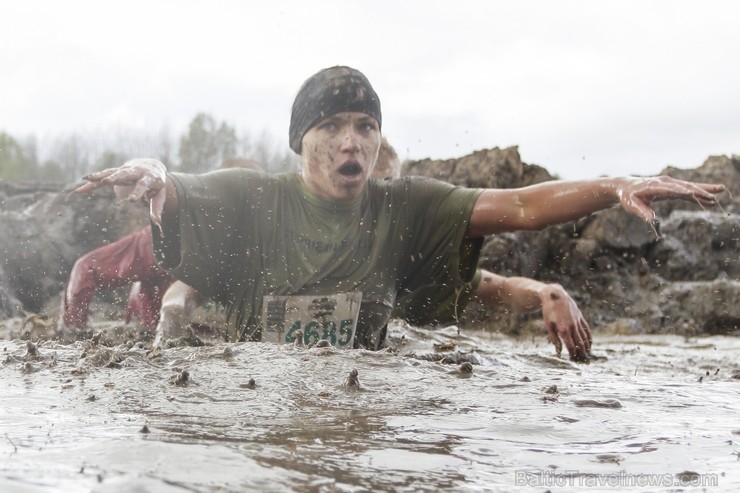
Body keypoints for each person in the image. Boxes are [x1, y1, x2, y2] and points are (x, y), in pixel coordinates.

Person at [73, 66, 725, 358]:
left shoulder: (408, 208)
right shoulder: (258, 198)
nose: (351, 141)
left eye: (365, 125)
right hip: (261, 389)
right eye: (331, 126)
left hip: (374, 380)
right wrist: (156, 176)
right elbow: (182, 186)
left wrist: (615, 185)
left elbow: (523, 206)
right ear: (301, 139)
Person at [61, 158, 263, 332]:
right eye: (237, 203)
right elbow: (86, 268)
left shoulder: (263, 247)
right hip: (150, 338)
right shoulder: (166, 238)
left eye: (258, 203)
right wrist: (74, 334)